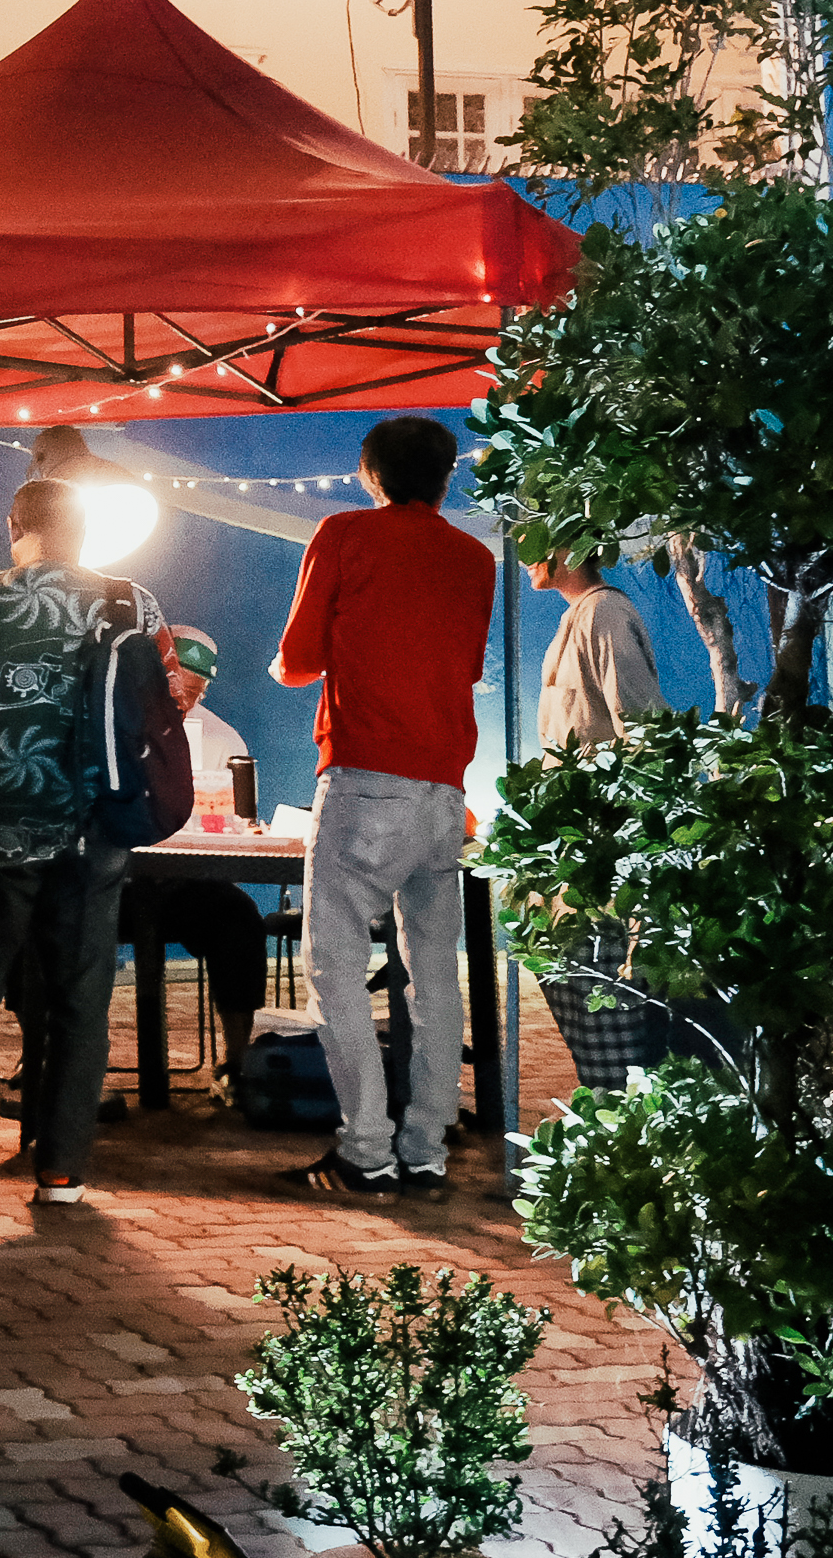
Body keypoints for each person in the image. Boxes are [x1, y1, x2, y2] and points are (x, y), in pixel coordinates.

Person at [268, 414, 495, 1199]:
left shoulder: (342, 533)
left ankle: (366, 1148)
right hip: (446, 789)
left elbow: (298, 662)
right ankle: (425, 1144)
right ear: (445, 477)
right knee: (434, 974)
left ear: (370, 474)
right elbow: (462, 663)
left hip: (365, 778)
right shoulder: (474, 557)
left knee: (335, 968)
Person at [0, 475, 173, 1211]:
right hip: (95, 828)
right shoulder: (134, 602)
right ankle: (62, 1171)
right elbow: (162, 707)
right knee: (79, 998)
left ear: (15, 526)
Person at [528, 551, 668, 1092]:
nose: (524, 558)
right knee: (559, 960)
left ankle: (623, 1115)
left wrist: (635, 838)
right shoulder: (575, 616)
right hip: (576, 838)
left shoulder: (604, 612)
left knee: (595, 980)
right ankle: (609, 1106)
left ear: (565, 548)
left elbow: (642, 725)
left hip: (601, 845)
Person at [118, 624, 274, 1085]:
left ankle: (238, 1059)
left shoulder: (224, 743)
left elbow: (236, 819)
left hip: (183, 886)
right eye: (179, 690)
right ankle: (42, 1057)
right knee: (42, 915)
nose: (185, 703)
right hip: (115, 883)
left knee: (239, 917)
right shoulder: (116, 726)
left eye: (197, 694)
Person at [533, 550, 661, 752]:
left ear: (572, 548)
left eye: (539, 545)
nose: (527, 559)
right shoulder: (580, 612)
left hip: (601, 780)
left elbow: (636, 720)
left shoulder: (604, 611)